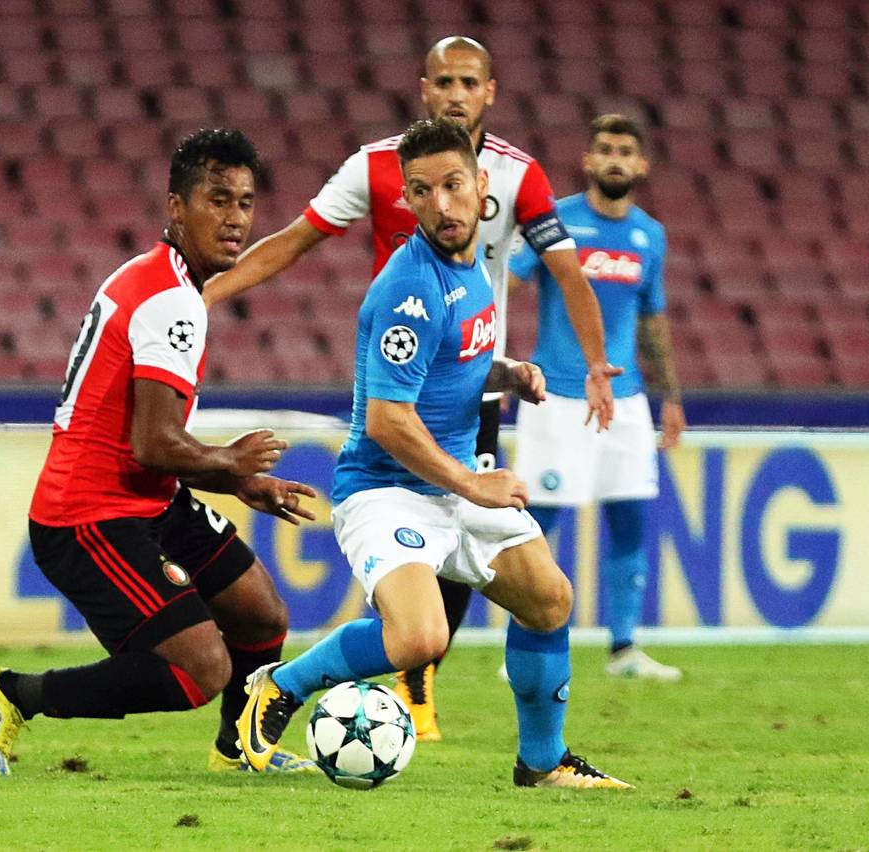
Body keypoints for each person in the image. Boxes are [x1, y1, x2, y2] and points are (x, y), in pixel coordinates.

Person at [203, 36, 620, 741]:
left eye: (454, 187)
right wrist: (473, 483)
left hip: (452, 465)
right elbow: (389, 421)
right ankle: (281, 685)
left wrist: (506, 372)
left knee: (550, 598)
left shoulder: (474, 264)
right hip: (391, 483)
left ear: (483, 190)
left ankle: (544, 762)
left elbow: (468, 348)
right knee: (420, 636)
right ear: (406, 196)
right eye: (423, 192)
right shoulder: (410, 285)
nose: (441, 204)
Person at [0, 128, 320, 777]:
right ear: (176, 207)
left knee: (260, 612)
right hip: (88, 514)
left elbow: (153, 448)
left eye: (245, 202)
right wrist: (229, 462)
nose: (235, 218)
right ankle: (14, 693)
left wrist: (237, 479)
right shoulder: (171, 300)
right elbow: (153, 444)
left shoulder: (159, 279)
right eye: (217, 200)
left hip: (146, 499)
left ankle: (239, 751)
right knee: (201, 669)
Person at [510, 114, 685, 681]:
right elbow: (507, 283)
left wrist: (671, 397)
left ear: (642, 165)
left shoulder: (649, 236)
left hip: (626, 400)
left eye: (626, 151)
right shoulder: (554, 220)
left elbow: (652, 320)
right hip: (557, 397)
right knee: (537, 523)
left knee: (631, 517)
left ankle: (624, 647)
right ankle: (525, 646)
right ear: (587, 160)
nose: (615, 159)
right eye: (605, 149)